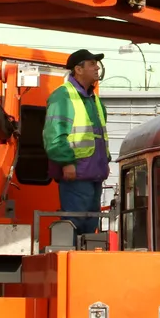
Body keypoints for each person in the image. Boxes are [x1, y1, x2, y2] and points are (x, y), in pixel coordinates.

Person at [43, 49, 110, 237]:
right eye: (92, 64)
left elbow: (100, 136)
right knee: (76, 223)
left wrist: (104, 161)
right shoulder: (63, 96)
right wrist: (67, 163)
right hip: (76, 173)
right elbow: (54, 135)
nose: (97, 67)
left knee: (89, 224)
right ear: (78, 70)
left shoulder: (92, 98)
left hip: (92, 173)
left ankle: (84, 262)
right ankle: (71, 261)